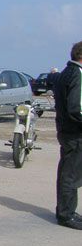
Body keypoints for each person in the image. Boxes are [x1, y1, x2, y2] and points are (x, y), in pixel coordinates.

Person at [53, 41, 82, 230]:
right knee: (70, 174)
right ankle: (66, 214)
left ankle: (66, 210)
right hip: (74, 132)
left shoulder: (65, 73)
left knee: (67, 172)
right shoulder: (77, 75)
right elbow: (75, 108)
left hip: (66, 130)